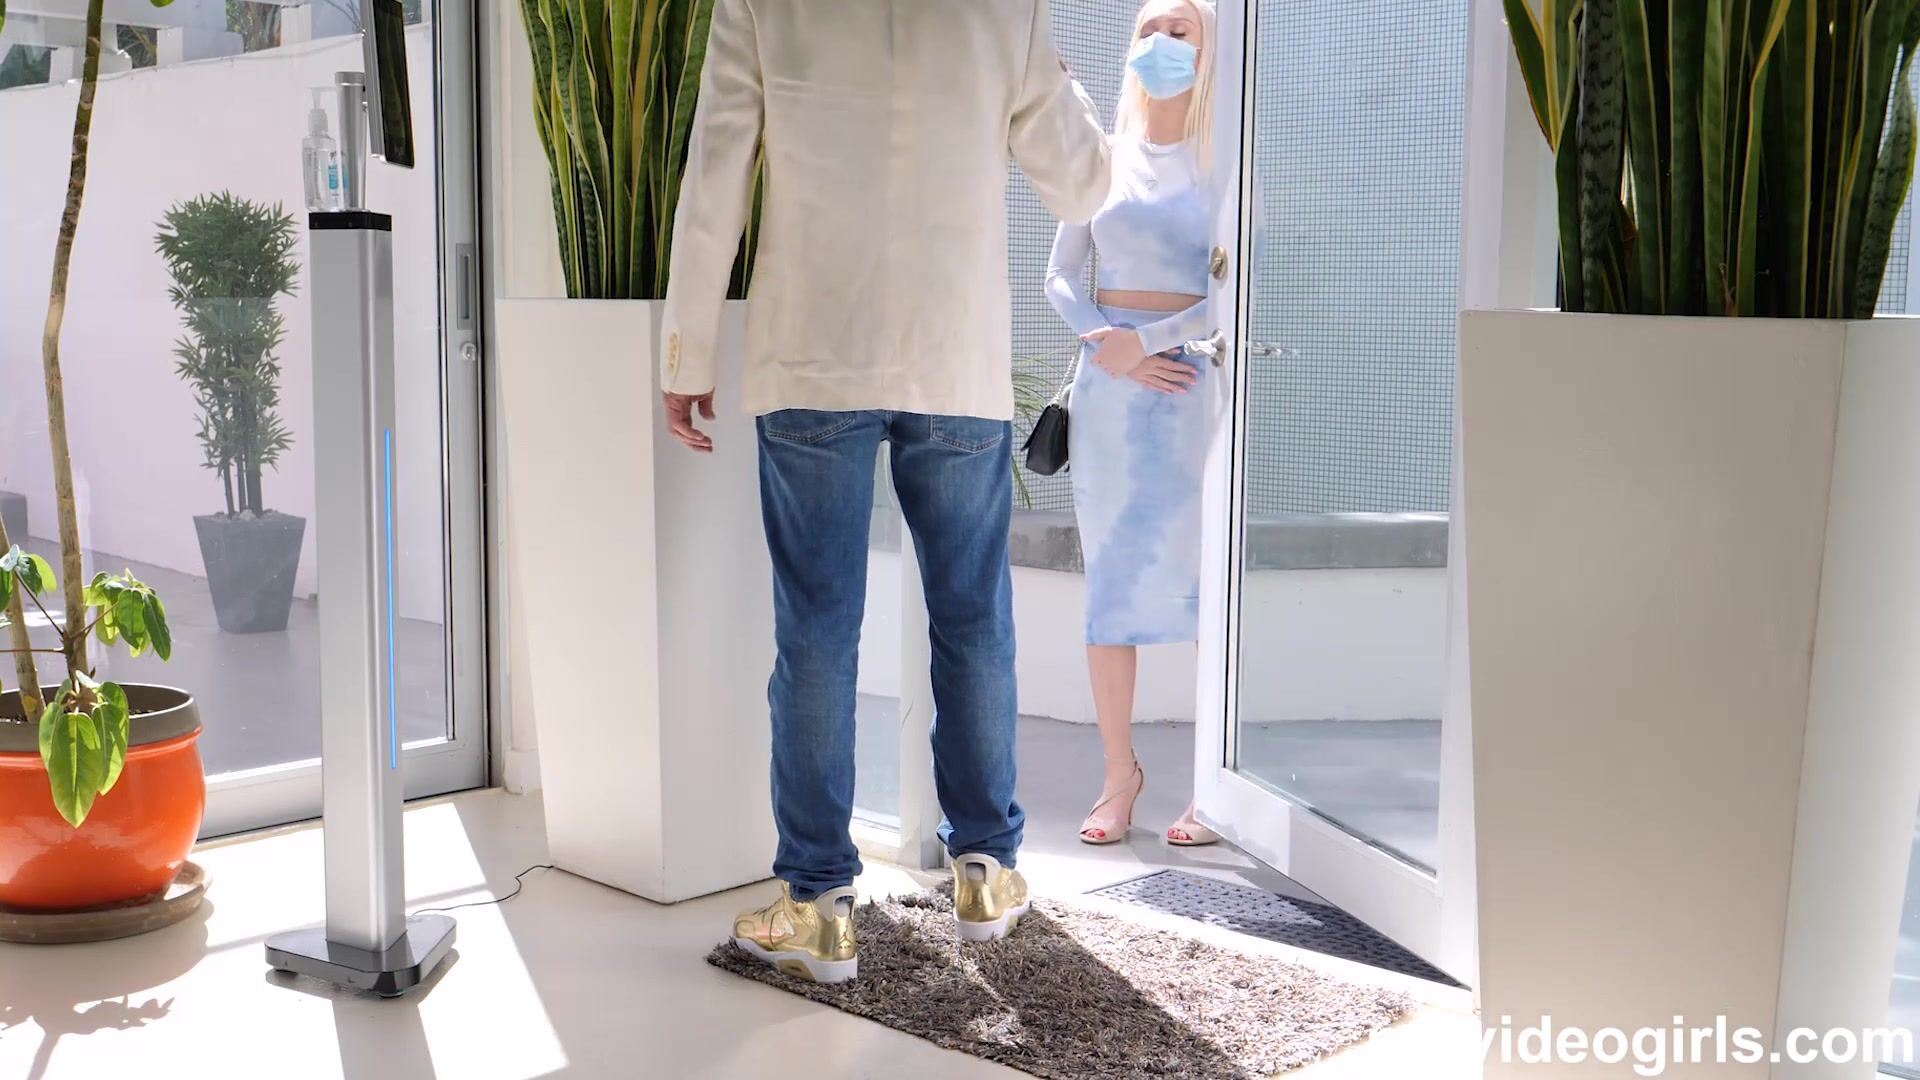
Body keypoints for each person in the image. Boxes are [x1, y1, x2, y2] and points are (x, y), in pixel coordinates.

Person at [659, 0, 1112, 983]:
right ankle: (985, 872)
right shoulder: (1006, 10)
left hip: (811, 354)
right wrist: (1060, 81)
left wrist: (686, 351)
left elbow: (714, 176)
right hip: (954, 359)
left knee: (817, 631)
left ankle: (818, 907)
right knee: (973, 620)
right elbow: (1085, 183)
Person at [1044, 0, 1223, 848]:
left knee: (1203, 586)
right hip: (1108, 394)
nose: (1160, 42)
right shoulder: (1104, 159)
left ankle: (1213, 791)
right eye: (1148, 29)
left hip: (1189, 389)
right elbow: (1060, 276)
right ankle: (1120, 775)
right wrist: (1105, 345)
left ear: (1209, 49)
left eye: (1179, 29)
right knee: (1111, 586)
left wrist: (1146, 343)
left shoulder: (1224, 163)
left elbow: (1233, 290)